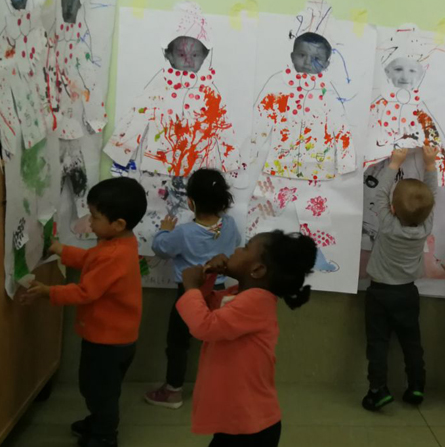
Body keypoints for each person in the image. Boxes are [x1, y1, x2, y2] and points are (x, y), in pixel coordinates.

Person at [18, 178, 148, 447]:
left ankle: (104, 435)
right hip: (115, 338)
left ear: (118, 224)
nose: (89, 221)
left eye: (95, 216)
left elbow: (84, 292)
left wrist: (48, 291)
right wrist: (61, 250)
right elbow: (91, 260)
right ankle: (99, 421)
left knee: (99, 391)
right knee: (99, 388)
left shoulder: (112, 255)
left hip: (108, 342)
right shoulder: (120, 243)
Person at [176, 231, 316, 447]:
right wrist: (208, 276)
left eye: (246, 247)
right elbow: (209, 308)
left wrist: (191, 288)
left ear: (257, 270)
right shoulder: (240, 295)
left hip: (252, 427)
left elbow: (205, 326)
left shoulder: (256, 301)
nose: (237, 250)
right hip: (239, 420)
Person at [145, 168, 242, 409]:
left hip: (189, 294)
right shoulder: (229, 225)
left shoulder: (184, 232)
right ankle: (219, 391)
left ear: (190, 203)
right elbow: (237, 242)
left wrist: (164, 230)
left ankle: (173, 391)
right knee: (217, 342)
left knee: (178, 342)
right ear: (223, 202)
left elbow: (161, 248)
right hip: (219, 292)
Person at [362, 146, 439, 411]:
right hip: (407, 294)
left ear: (392, 208)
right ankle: (416, 386)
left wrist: (394, 163)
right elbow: (433, 196)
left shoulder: (387, 224)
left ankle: (378, 390)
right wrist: (430, 165)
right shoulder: (426, 227)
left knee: (378, 343)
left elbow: (380, 193)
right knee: (411, 342)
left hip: (379, 294)